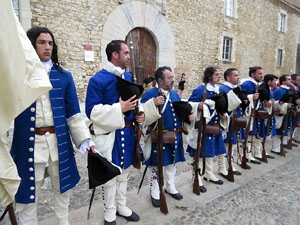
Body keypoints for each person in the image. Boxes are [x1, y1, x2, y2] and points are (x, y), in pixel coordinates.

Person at [10, 27, 94, 225]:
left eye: (50, 43)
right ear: (31, 44)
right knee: (28, 198)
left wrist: (84, 139)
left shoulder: (64, 76)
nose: (47, 47)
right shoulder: (18, 76)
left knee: (62, 192)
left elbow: (73, 113)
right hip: (30, 148)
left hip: (59, 145)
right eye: (41, 42)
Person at [85, 40, 159, 225]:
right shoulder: (97, 79)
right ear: (115, 54)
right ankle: (109, 211)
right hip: (110, 136)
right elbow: (91, 112)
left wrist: (139, 114)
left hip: (128, 133)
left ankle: (121, 205)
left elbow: (135, 100)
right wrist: (120, 108)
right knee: (110, 174)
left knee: (124, 172)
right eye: (126, 53)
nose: (129, 56)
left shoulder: (127, 75)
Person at [140, 66, 193, 207]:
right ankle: (155, 191)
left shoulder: (175, 95)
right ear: (160, 80)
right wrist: (153, 104)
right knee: (156, 166)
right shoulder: (150, 94)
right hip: (158, 136)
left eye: (173, 77)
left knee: (171, 164)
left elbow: (179, 114)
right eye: (169, 77)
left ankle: (170, 187)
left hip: (174, 136)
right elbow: (141, 116)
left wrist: (188, 118)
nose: (173, 79)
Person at [187, 67, 229, 187]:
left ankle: (208, 173)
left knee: (210, 152)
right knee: (199, 155)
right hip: (202, 127)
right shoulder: (201, 90)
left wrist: (223, 113)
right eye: (216, 74)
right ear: (209, 76)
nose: (219, 76)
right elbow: (189, 105)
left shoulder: (217, 90)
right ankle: (197, 177)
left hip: (214, 127)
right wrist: (198, 106)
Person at [240, 66, 272, 164]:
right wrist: (251, 97)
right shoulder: (246, 84)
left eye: (262, 73)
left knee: (254, 133)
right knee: (247, 133)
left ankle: (251, 153)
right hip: (248, 112)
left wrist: (268, 102)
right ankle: (244, 154)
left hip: (257, 112)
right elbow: (242, 99)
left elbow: (267, 97)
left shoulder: (261, 85)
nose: (261, 76)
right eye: (259, 73)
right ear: (252, 74)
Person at [219, 68, 244, 178]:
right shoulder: (223, 88)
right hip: (227, 120)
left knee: (233, 143)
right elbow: (222, 105)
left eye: (238, 75)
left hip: (235, 120)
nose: (238, 77)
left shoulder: (237, 88)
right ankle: (222, 167)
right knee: (225, 144)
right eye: (235, 75)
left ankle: (230, 164)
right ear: (228, 77)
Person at [271, 75, 300, 154]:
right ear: (283, 81)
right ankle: (275, 147)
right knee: (278, 130)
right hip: (280, 113)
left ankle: (282, 145)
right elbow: (275, 102)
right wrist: (285, 105)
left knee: (285, 130)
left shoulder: (291, 89)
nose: (290, 81)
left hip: (288, 113)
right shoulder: (279, 90)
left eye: (290, 79)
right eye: (288, 79)